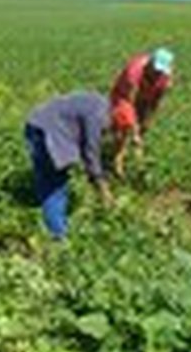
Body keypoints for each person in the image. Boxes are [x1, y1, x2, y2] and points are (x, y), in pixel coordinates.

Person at [25, 92, 114, 239]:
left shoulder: (102, 104)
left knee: (50, 178)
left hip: (38, 122)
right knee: (54, 185)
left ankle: (54, 226)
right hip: (45, 130)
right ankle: (58, 237)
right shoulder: (98, 116)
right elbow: (91, 151)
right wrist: (102, 187)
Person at [110, 47, 174, 178]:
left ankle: (137, 161)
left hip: (145, 97)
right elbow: (130, 101)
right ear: (150, 62)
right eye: (155, 69)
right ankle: (117, 161)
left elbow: (156, 102)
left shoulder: (165, 79)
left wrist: (147, 122)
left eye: (160, 71)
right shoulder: (134, 70)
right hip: (123, 97)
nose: (157, 73)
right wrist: (134, 129)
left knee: (142, 127)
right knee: (126, 124)